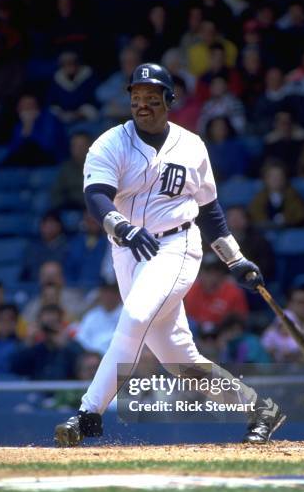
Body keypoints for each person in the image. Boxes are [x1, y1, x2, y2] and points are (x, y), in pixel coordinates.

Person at [54, 62, 286, 447]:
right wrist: (121, 226)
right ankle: (260, 409)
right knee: (182, 362)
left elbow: (210, 212)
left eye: (151, 97)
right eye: (135, 97)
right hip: (128, 250)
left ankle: (87, 414)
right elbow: (96, 197)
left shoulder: (192, 145)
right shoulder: (109, 143)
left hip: (176, 245)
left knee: (135, 316)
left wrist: (235, 259)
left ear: (169, 100)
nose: (142, 104)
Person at [10, 304, 84, 380]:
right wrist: (28, 341)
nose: (49, 329)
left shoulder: (69, 344)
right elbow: (16, 368)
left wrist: (65, 345)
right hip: (37, 389)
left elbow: (81, 367)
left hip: (63, 390)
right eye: (46, 324)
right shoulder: (33, 347)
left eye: (54, 322)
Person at [184, 252, 249, 331]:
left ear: (221, 273)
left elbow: (240, 322)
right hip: (197, 334)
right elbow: (187, 318)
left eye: (215, 272)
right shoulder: (191, 290)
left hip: (223, 333)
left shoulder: (233, 292)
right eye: (208, 272)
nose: (212, 276)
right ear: (200, 273)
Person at [248, 158, 304, 229]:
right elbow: (255, 216)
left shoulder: (294, 196)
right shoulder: (259, 199)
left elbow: (300, 215)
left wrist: (286, 219)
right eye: (272, 177)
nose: (276, 179)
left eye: (279, 176)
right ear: (265, 179)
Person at [22, 260, 87, 325]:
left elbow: (83, 323)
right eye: (45, 275)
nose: (49, 279)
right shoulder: (32, 307)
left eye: (54, 275)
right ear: (40, 279)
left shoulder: (75, 299)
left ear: (62, 279)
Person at [74, 281, 122, 355]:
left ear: (119, 295)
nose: (108, 296)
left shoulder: (126, 315)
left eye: (112, 292)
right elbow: (82, 338)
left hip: (117, 356)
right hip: (92, 356)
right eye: (105, 292)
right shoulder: (92, 315)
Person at [20, 210, 68, 281]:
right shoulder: (32, 248)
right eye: (45, 224)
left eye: (51, 224)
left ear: (59, 226)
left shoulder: (67, 247)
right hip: (36, 287)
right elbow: (28, 271)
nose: (48, 228)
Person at [51, 132, 93, 210]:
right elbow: (57, 193)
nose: (79, 149)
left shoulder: (98, 166)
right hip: (70, 208)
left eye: (82, 146)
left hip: (91, 209)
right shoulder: (66, 168)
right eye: (75, 146)